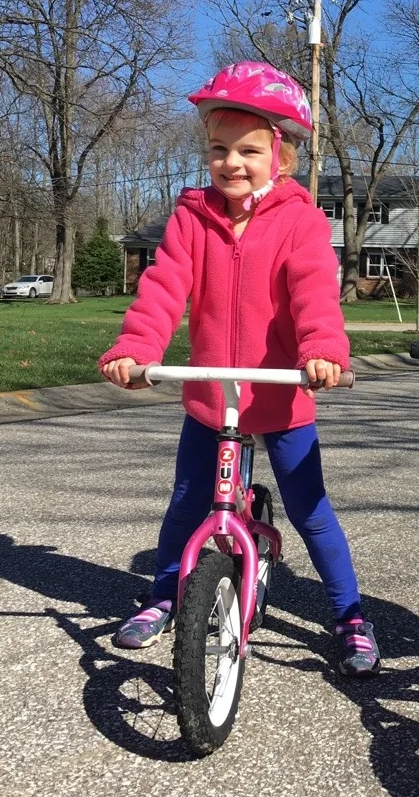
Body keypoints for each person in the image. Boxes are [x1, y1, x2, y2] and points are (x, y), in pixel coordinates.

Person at [100, 61, 379, 677]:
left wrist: (323, 352)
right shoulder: (192, 217)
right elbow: (163, 289)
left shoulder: (299, 218)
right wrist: (136, 349)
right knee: (186, 500)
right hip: (210, 395)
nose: (231, 162)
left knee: (310, 509)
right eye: (218, 149)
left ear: (281, 155)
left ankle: (350, 615)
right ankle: (165, 594)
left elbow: (312, 292)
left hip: (281, 397)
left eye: (249, 150)